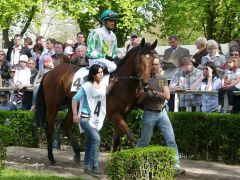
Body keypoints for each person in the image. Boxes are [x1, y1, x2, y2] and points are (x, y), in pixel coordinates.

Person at [136, 57, 184, 174]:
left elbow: (167, 95)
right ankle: (134, 162)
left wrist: (155, 93)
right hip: (149, 113)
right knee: (144, 142)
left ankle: (176, 166)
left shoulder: (161, 79)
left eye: (156, 64)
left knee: (171, 140)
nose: (154, 66)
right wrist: (144, 92)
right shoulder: (143, 80)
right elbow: (138, 100)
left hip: (162, 113)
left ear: (159, 66)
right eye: (152, 64)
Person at [72, 64, 116, 175]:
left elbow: (104, 93)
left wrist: (111, 84)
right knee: (96, 139)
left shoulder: (102, 85)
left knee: (90, 141)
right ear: (93, 75)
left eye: (102, 72)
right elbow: (75, 99)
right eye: (99, 73)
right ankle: (95, 166)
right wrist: (75, 115)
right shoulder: (87, 86)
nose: (101, 74)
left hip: (96, 119)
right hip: (86, 119)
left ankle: (86, 166)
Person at [86, 10, 118, 74]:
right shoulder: (96, 32)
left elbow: (114, 52)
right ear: (104, 22)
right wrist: (104, 56)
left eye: (114, 21)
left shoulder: (113, 36)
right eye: (110, 21)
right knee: (113, 67)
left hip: (107, 61)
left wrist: (115, 58)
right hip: (94, 60)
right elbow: (89, 52)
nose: (113, 23)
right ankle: (92, 78)